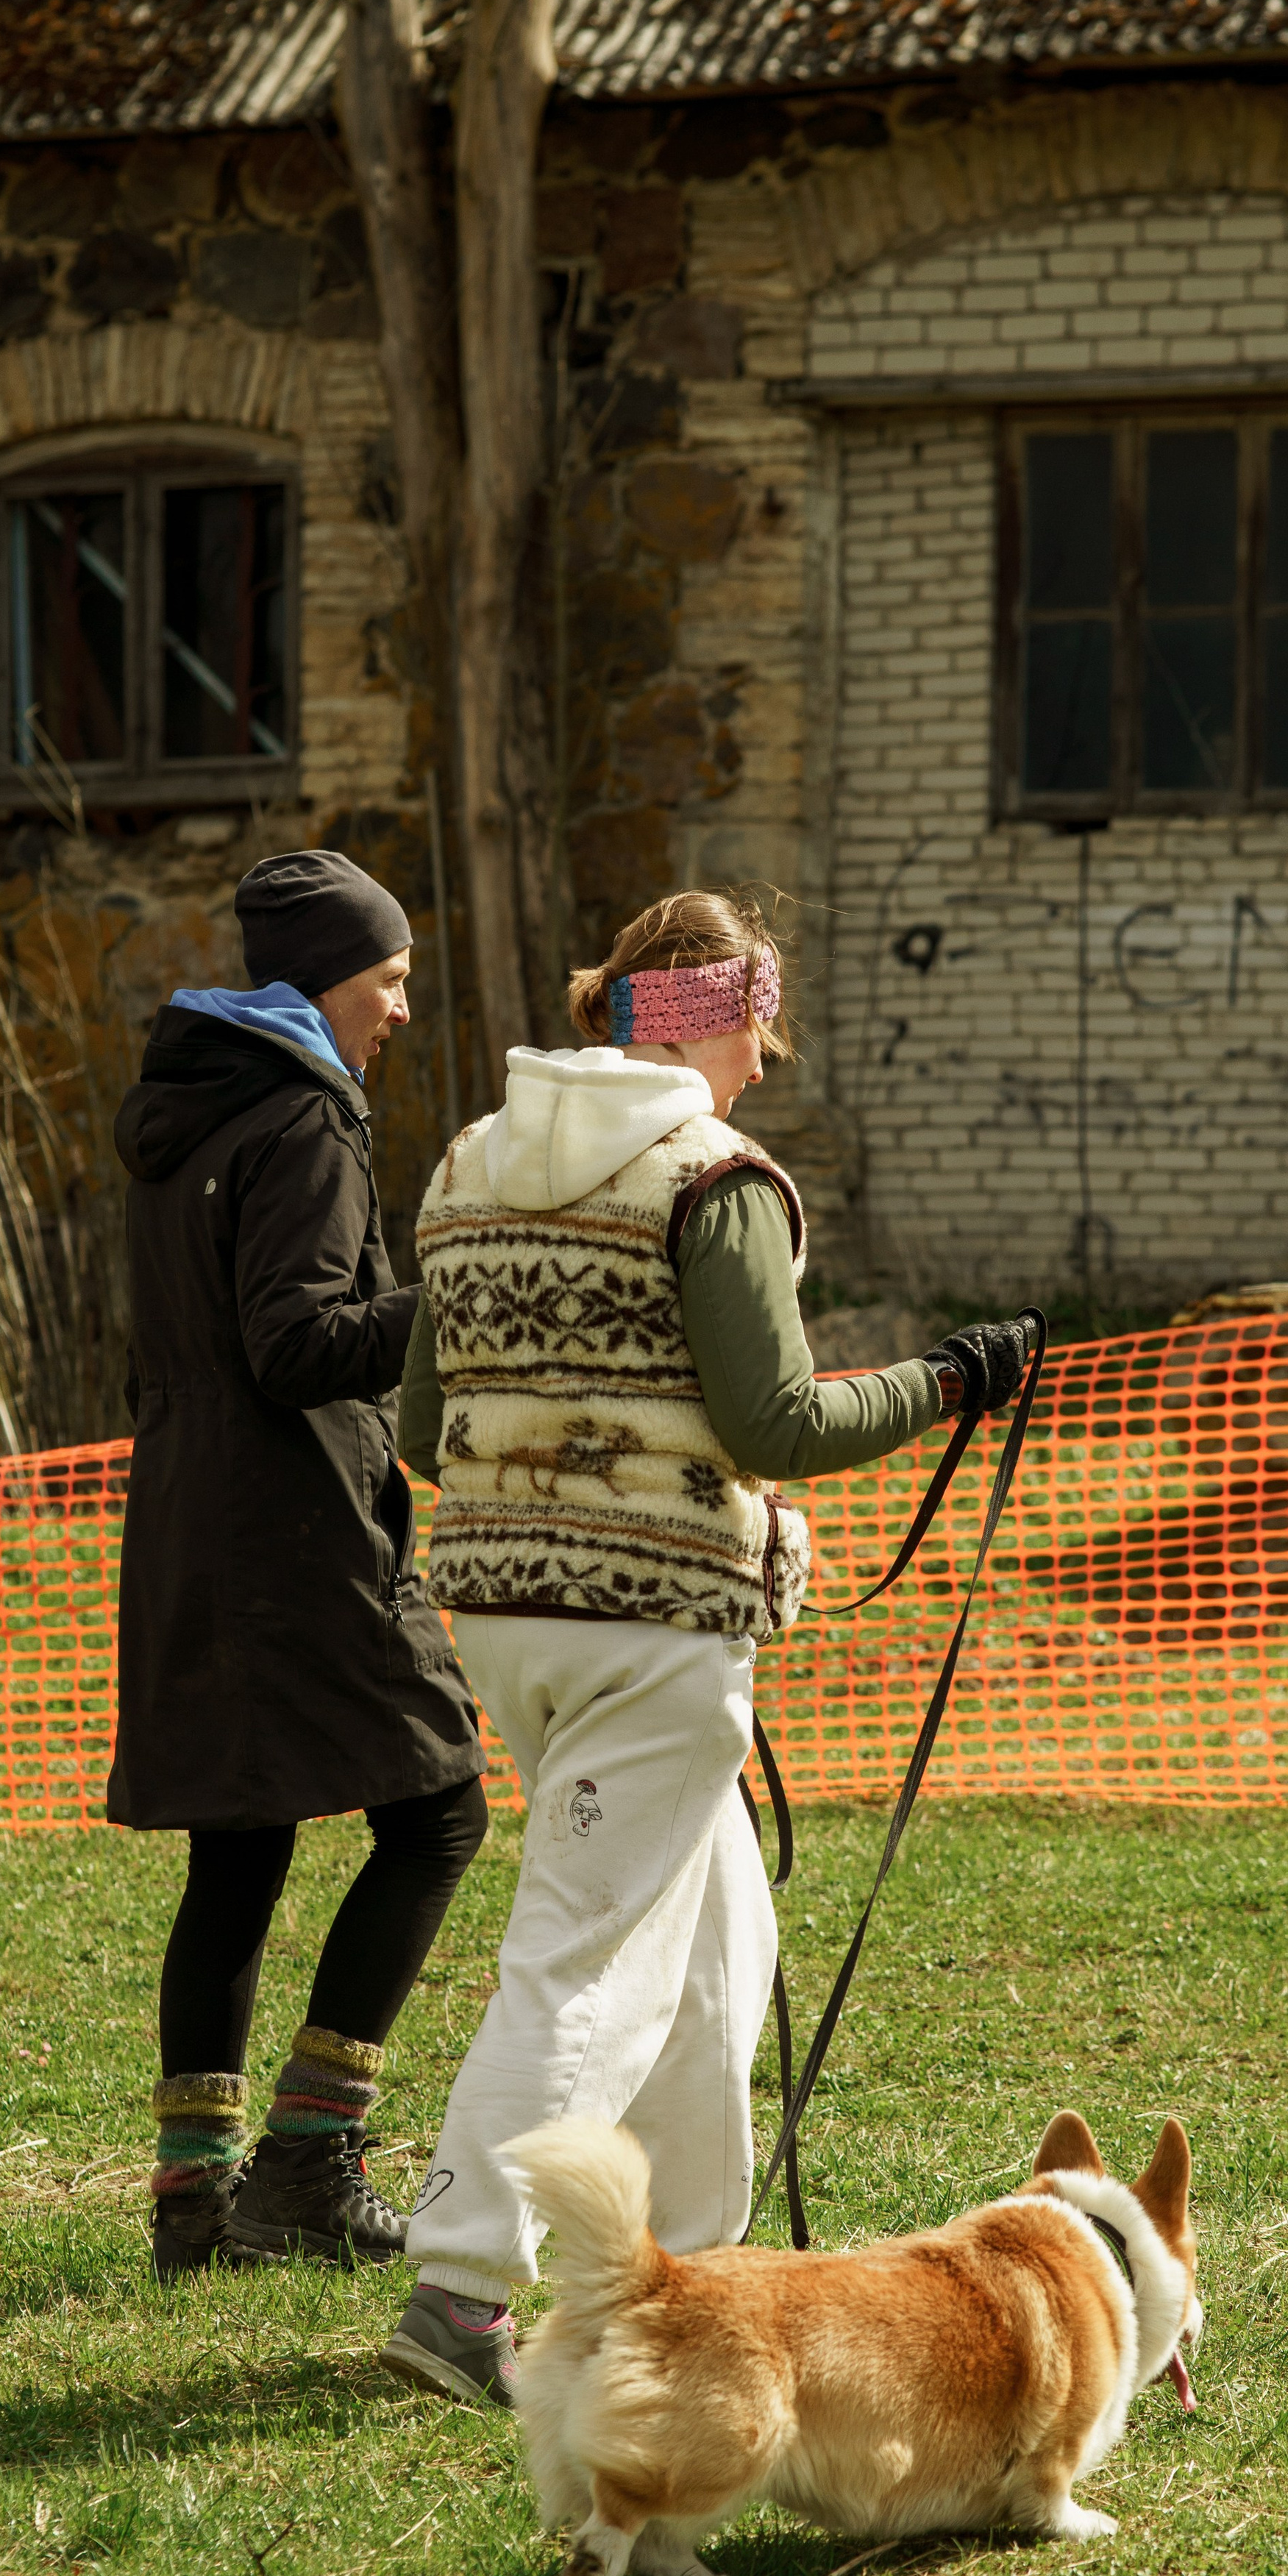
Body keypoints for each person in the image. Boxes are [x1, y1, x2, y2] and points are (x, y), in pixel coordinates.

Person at [376, 889, 1033, 2403]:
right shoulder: (713, 1180)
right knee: (587, 1955)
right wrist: (945, 1379)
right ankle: (464, 2282)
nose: (759, 1068)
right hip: (651, 1630)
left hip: (506, 1614)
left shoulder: (470, 1163)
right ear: (718, 1022)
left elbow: (422, 1421)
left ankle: (689, 2264)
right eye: (756, 1037)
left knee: (719, 1943)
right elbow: (775, 1423)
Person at [110, 849, 489, 2285]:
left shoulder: (189, 1106)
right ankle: (311, 2163)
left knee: (240, 1845)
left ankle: (194, 2203)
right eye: (389, 979)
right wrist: (456, 1293)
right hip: (298, 1534)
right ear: (328, 980)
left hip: (189, 1521)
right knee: (440, 1811)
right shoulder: (305, 1115)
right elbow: (296, 1341)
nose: (400, 1009)